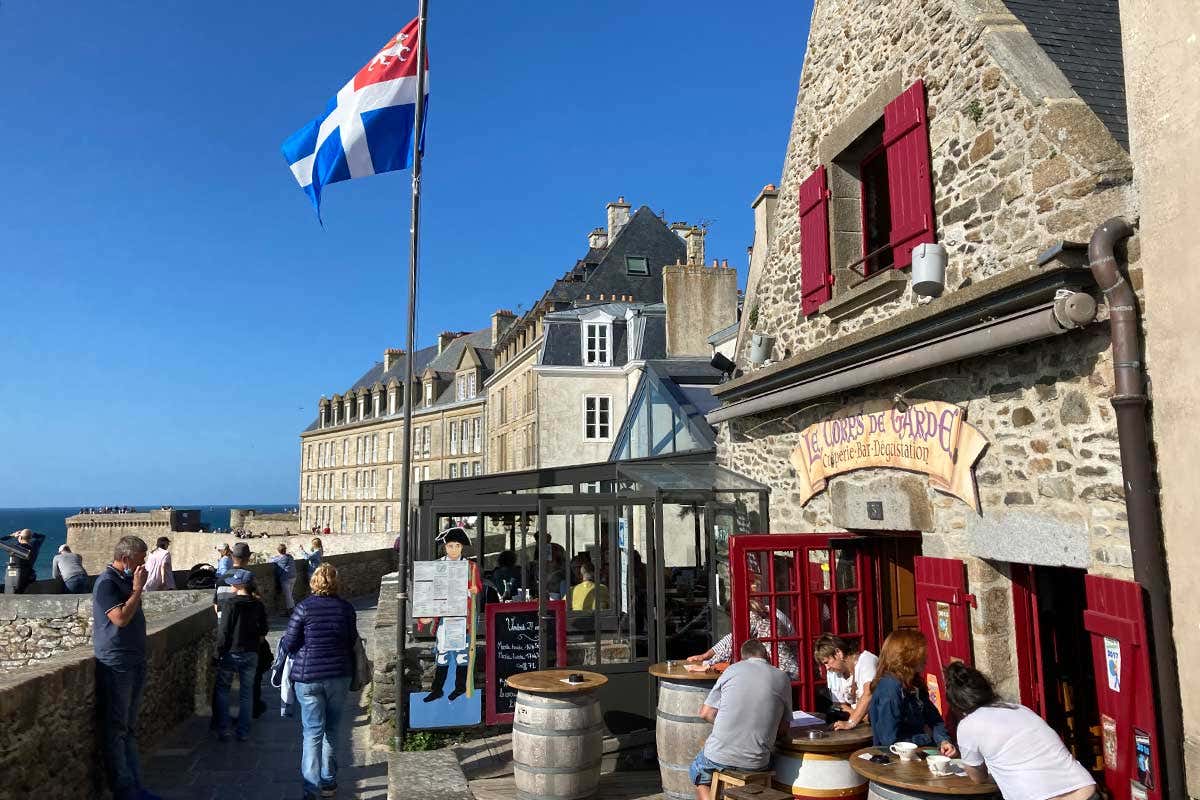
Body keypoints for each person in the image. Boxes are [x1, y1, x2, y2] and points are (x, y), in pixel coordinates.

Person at [946, 662, 1098, 800]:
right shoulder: (1019, 708)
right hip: (1085, 790)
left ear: (957, 705)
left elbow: (978, 778)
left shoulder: (967, 725)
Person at [278, 564, 360, 800]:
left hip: (308, 677)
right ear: (336, 582)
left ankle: (311, 789)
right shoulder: (346, 608)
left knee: (312, 732)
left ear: (313, 582)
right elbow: (351, 639)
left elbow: (290, 643)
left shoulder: (303, 608)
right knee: (332, 730)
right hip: (338, 675)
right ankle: (329, 782)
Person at [92, 536, 162, 800]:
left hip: (133, 660)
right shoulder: (106, 583)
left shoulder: (124, 580)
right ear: (126, 559)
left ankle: (136, 785)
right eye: (141, 560)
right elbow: (120, 618)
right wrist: (137, 590)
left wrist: (135, 588)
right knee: (117, 729)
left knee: (129, 728)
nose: (144, 565)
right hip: (116, 663)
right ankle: (124, 789)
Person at [690, 639, 793, 800]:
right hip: (756, 763)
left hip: (719, 757)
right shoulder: (782, 677)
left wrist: (729, 724)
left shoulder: (731, 670)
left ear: (743, 657)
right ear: (767, 656)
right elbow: (783, 729)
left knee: (699, 773)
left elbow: (705, 714)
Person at [686, 574, 799, 679]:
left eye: (732, 616)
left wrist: (708, 665)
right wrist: (705, 656)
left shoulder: (752, 617)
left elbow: (732, 643)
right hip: (785, 670)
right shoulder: (764, 614)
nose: (732, 621)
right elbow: (731, 638)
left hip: (781, 673)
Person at [867, 629, 956, 755]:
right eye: (921, 652)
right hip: (896, 762)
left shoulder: (912, 682)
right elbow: (889, 741)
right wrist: (925, 736)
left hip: (919, 754)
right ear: (906, 656)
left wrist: (943, 741)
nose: (925, 657)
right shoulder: (891, 688)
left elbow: (934, 719)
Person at [419, 527, 482, 702]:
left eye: (457, 546)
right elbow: (428, 592)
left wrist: (474, 589)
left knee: (462, 654)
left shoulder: (471, 567)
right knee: (442, 653)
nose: (454, 549)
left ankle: (460, 688)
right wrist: (426, 614)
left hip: (463, 619)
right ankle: (437, 689)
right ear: (445, 547)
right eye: (450, 546)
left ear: (462, 548)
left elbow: (477, 589)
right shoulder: (437, 566)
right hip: (444, 618)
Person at [213, 568, 269, 742]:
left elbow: (224, 631)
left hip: (231, 652)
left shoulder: (230, 604)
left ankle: (224, 729)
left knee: (223, 690)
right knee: (246, 693)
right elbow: (264, 629)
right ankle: (243, 731)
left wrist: (218, 653)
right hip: (251, 653)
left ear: (239, 585)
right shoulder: (258, 604)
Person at [813, 633, 878, 730]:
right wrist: (863, 717)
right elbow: (839, 706)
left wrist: (851, 722)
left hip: (879, 722)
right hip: (865, 722)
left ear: (838, 653)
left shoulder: (866, 660)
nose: (826, 668)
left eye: (827, 662)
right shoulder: (833, 673)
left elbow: (868, 693)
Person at [6, 528, 45, 593]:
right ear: (30, 537)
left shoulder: (15, 548)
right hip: (27, 575)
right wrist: (30, 534)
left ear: (20, 537)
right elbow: (42, 536)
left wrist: (11, 536)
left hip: (14, 576)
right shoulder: (35, 546)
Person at [272, 543, 299, 615]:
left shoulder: (280, 559)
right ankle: (290, 610)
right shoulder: (290, 556)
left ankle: (291, 611)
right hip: (293, 576)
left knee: (288, 595)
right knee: (290, 594)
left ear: (278, 551)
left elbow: (273, 561)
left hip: (286, 578)